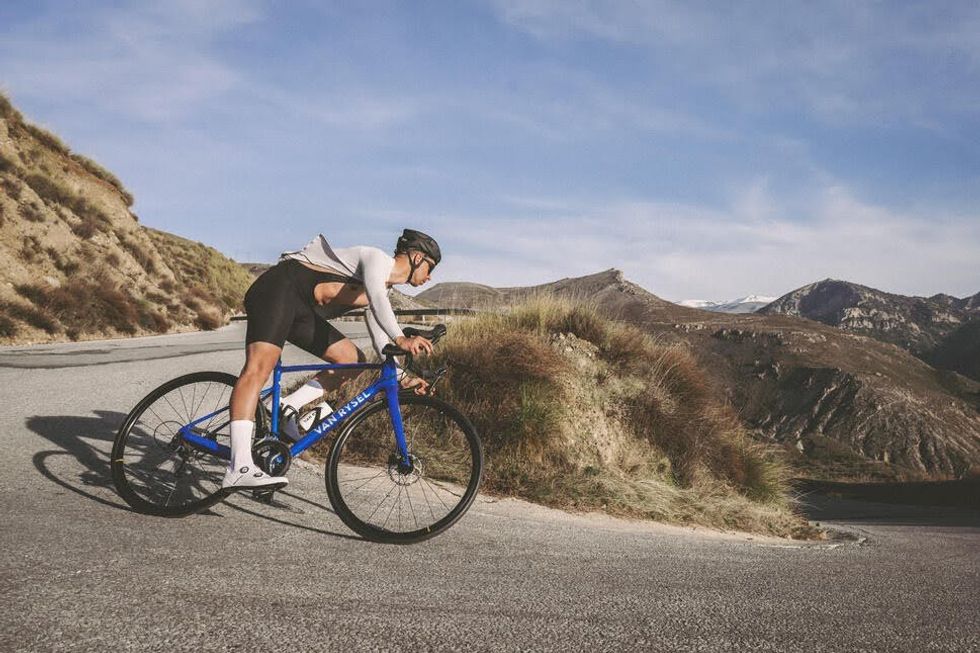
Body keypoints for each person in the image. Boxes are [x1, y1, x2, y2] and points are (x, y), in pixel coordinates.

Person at [222, 229, 441, 491]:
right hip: (279, 289)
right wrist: (401, 338)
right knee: (258, 369)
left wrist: (402, 376)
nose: (429, 277)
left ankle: (286, 405)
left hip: (301, 309)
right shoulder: (376, 260)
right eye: (430, 267)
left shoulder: (382, 286)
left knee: (351, 359)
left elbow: (381, 339)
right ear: (417, 256)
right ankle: (239, 466)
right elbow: (381, 306)